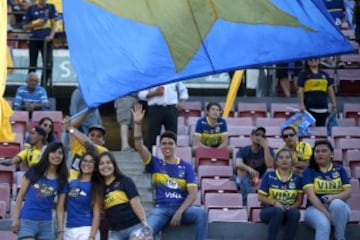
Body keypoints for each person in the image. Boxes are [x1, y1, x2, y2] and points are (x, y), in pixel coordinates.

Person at [132, 103, 208, 240]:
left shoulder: (186, 166)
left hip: (182, 208)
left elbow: (192, 194)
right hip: (160, 209)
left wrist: (179, 213)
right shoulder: (155, 163)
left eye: (170, 143)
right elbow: (139, 146)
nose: (167, 146)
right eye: (164, 143)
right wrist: (137, 124)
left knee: (201, 213)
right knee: (145, 235)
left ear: (175, 146)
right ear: (160, 146)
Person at [11, 142, 68, 239]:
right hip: (27, 220)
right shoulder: (34, 170)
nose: (57, 155)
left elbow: (60, 208)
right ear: (47, 154)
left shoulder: (62, 179)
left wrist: (61, 231)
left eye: (60, 153)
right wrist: (16, 218)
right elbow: (20, 196)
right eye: (53, 152)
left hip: (46, 225)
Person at [303, 140, 351, 240]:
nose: (320, 153)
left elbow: (348, 192)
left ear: (331, 154)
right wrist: (327, 214)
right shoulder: (309, 171)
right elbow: (311, 196)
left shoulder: (340, 170)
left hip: (339, 210)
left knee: (337, 203)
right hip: (314, 209)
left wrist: (333, 197)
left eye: (324, 151)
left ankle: (340, 237)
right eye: (317, 151)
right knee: (323, 224)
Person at [98, 151, 151, 240]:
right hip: (115, 231)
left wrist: (144, 223)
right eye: (101, 164)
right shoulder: (98, 188)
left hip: (134, 227)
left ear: (114, 164)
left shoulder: (125, 180)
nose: (105, 166)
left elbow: (136, 203)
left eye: (108, 162)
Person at [258, 148, 303, 240]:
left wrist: (292, 207)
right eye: (281, 157)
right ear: (277, 161)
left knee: (295, 213)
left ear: (291, 161)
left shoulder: (298, 178)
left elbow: (299, 201)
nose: (284, 160)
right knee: (278, 211)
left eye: (287, 157)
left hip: (289, 211)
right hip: (269, 211)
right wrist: (275, 203)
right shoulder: (269, 175)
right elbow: (261, 197)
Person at [57, 151, 103, 240]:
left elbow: (97, 214)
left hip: (87, 229)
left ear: (95, 167)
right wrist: (61, 231)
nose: (87, 163)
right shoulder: (71, 183)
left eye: (91, 162)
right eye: (85, 160)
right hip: (68, 229)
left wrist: (92, 236)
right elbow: (61, 206)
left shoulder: (96, 186)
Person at [138, 82, 188, 150]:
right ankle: (151, 159)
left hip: (171, 108)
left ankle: (171, 158)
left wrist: (182, 100)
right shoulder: (150, 74)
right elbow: (140, 94)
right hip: (155, 108)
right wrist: (154, 93)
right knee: (153, 136)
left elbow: (183, 88)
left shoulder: (173, 73)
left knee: (172, 135)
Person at [234, 127, 274, 203]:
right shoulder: (243, 150)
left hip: (261, 177)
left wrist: (266, 148)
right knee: (241, 170)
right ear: (251, 136)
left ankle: (250, 198)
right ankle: (248, 199)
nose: (259, 137)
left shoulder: (269, 150)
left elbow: (270, 165)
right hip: (246, 177)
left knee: (271, 171)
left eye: (262, 136)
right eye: (257, 134)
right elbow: (238, 163)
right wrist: (250, 169)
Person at [22, 0, 58, 86]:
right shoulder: (31, 9)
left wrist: (51, 36)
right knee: (32, 64)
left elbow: (55, 23)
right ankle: (30, 86)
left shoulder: (51, 7)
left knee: (48, 64)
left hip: (46, 41)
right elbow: (24, 26)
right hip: (34, 40)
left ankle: (43, 86)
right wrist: (38, 24)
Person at [297, 58, 337, 127]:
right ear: (307, 62)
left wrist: (334, 104)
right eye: (311, 59)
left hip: (322, 107)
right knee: (307, 130)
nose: (313, 61)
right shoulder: (303, 74)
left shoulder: (325, 75)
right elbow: (300, 90)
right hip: (308, 107)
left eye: (315, 59)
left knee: (321, 129)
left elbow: (330, 90)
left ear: (319, 61)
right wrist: (301, 104)